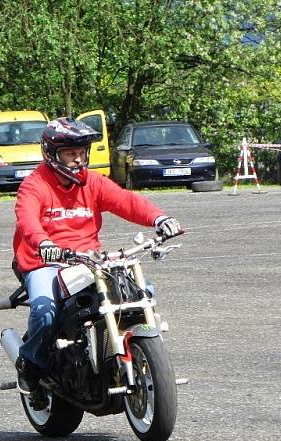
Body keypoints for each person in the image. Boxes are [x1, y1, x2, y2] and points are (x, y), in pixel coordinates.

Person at [12, 117, 182, 408]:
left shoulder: (92, 182)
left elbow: (126, 201)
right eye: (70, 154)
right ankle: (29, 365)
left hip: (88, 259)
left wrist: (160, 218)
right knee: (45, 312)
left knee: (142, 292)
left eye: (81, 153)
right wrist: (46, 245)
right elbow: (27, 222)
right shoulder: (35, 185)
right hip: (45, 261)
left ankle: (130, 355)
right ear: (52, 154)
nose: (78, 160)